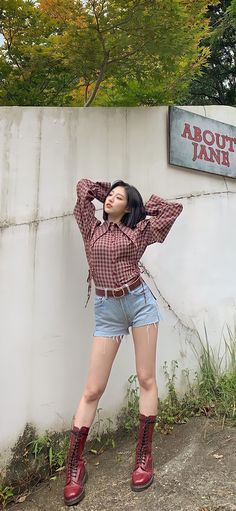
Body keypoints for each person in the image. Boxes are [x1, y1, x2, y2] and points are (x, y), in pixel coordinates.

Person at [64, 178, 183, 506]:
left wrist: (134, 203)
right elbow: (84, 187)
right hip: (107, 311)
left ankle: (144, 457)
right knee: (92, 389)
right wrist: (109, 192)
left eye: (119, 198)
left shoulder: (140, 230)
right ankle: (75, 466)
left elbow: (173, 209)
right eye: (109, 197)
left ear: (129, 207)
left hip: (139, 303)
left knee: (146, 378)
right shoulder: (89, 226)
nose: (110, 200)